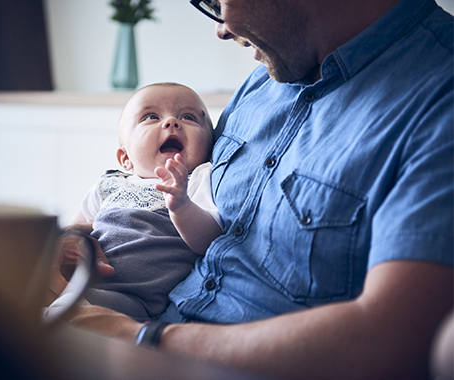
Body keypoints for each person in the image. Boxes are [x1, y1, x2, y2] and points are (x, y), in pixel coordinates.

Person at [63, 0, 454, 379]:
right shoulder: (263, 81)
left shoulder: (440, 100)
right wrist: (63, 248)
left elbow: (394, 341)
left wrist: (139, 339)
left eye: (216, 1)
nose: (220, 28)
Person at [49, 83, 222, 322]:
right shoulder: (110, 183)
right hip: (82, 280)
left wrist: (182, 207)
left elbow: (210, 240)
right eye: (151, 116)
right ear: (126, 158)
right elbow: (73, 231)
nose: (172, 122)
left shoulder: (198, 179)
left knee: (57, 318)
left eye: (189, 117)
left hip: (131, 299)